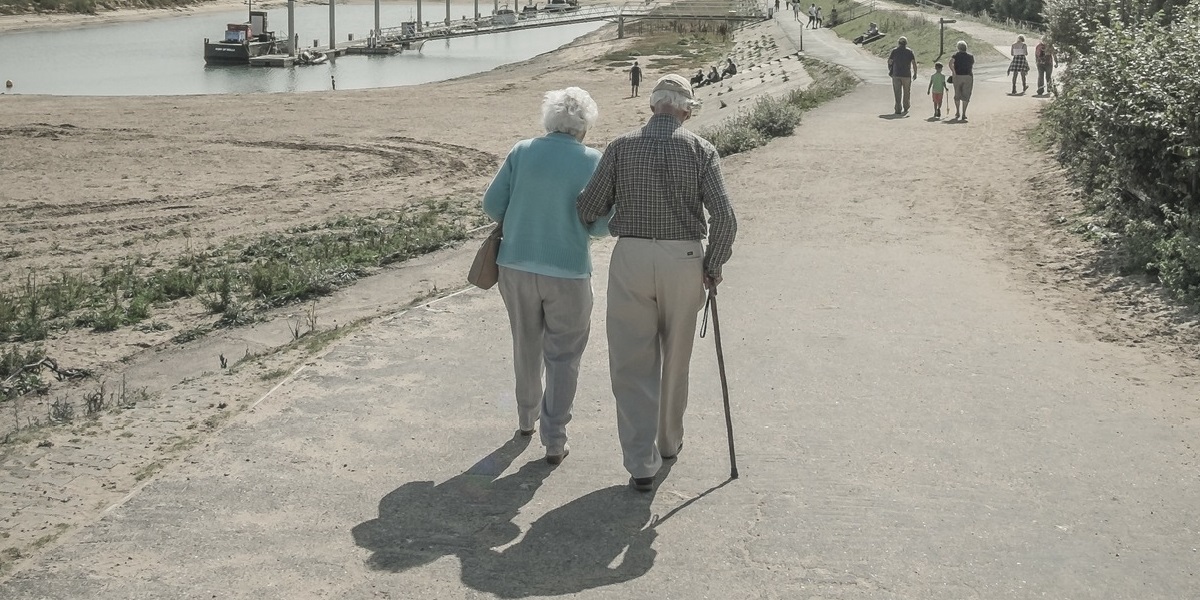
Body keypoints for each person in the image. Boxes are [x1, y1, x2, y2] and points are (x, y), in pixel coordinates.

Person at [577, 74, 737, 493]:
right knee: (676, 356)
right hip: (684, 258)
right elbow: (726, 217)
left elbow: (589, 206)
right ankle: (669, 441)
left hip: (631, 255)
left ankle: (640, 462)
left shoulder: (620, 146)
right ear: (685, 110)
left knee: (631, 361)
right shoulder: (701, 149)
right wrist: (713, 263)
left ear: (652, 106)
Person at [482, 87, 609, 465]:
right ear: (584, 126)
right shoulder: (593, 160)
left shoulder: (522, 152)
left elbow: (492, 205)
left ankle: (525, 417)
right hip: (568, 271)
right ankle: (554, 438)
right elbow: (600, 227)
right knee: (564, 355)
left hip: (516, 266)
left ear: (549, 119)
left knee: (526, 344)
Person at [887, 36, 918, 115]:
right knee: (907, 92)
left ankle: (898, 108)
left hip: (896, 74)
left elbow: (890, 61)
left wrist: (891, 69)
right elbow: (914, 63)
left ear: (898, 43)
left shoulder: (894, 51)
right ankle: (906, 107)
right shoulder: (909, 51)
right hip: (906, 75)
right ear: (906, 43)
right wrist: (915, 73)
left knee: (897, 92)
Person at [949, 40, 974, 121]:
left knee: (957, 94)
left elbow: (950, 63)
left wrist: (953, 71)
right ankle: (964, 113)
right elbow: (971, 64)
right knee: (966, 95)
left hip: (958, 76)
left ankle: (957, 112)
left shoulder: (955, 55)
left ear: (958, 48)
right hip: (968, 76)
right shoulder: (970, 56)